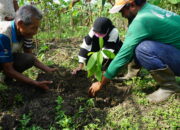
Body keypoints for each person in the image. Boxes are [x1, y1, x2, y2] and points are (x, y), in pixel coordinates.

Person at [88, 0, 180, 103]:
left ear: (132, 5)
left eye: (122, 11)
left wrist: (101, 82)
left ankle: (169, 87)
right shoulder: (149, 10)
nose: (122, 15)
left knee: (143, 48)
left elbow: (124, 55)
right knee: (139, 43)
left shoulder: (142, 20)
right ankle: (132, 74)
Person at [0, 5, 57, 90]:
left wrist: (47, 69)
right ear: (20, 24)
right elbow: (8, 69)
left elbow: (30, 56)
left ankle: (8, 81)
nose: (35, 32)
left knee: (28, 59)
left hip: (6, 59)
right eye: (33, 28)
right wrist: (34, 83)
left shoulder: (26, 33)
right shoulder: (4, 34)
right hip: (3, 62)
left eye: (37, 28)